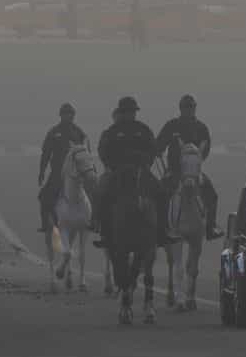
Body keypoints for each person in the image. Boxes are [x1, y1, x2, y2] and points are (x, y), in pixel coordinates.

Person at [92, 96, 173, 249]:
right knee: (103, 196)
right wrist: (111, 165)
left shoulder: (143, 129)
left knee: (162, 194)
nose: (131, 114)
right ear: (122, 112)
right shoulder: (112, 131)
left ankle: (162, 233)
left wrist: (147, 161)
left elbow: (152, 149)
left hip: (141, 171)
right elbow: (103, 151)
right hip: (118, 172)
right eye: (127, 111)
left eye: (133, 111)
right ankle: (105, 234)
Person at [155, 95, 222, 240]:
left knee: (212, 195)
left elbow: (206, 149)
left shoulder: (202, 128)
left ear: (195, 108)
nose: (189, 110)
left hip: (194, 172)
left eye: (191, 107)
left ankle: (211, 227)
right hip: (174, 171)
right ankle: (161, 230)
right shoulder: (171, 125)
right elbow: (159, 143)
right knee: (160, 194)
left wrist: (195, 162)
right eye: (186, 107)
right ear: (181, 109)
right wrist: (157, 149)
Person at [36, 103, 89, 232]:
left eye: (70, 114)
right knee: (44, 197)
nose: (68, 117)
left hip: (76, 174)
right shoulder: (54, 132)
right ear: (61, 116)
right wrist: (42, 171)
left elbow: (86, 154)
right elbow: (46, 153)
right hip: (58, 173)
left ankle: (91, 221)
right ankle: (45, 224)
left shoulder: (79, 132)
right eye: (66, 114)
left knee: (91, 194)